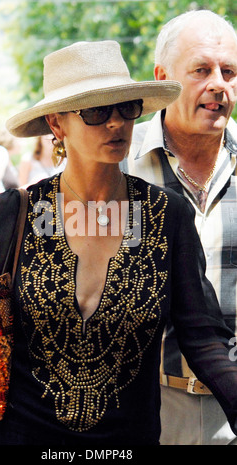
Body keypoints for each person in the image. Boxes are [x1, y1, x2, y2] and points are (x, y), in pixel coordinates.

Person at [0, 39, 237, 447]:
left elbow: (203, 339)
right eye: (96, 111)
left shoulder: (167, 216)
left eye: (126, 108)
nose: (116, 123)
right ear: (58, 125)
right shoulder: (17, 212)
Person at [123, 10, 237, 445]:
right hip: (144, 409)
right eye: (201, 70)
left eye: (229, 71)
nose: (219, 85)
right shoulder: (114, 163)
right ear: (162, 77)